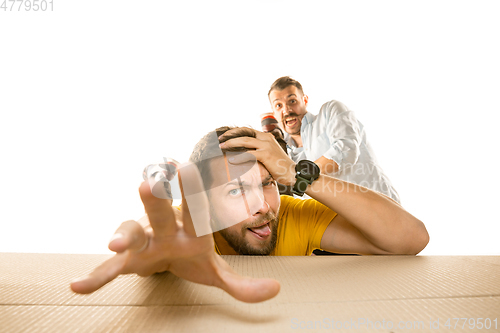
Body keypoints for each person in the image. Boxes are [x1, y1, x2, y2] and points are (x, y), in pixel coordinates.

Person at [70, 126, 429, 303]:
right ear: (205, 206)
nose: (262, 206)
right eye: (236, 190)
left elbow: (411, 237)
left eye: (268, 183)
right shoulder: (192, 225)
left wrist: (297, 174)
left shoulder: (290, 213)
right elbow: (162, 236)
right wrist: (148, 249)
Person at [267, 76, 401, 203]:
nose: (287, 110)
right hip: (342, 223)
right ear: (274, 113)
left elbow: (346, 151)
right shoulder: (286, 154)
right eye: (279, 105)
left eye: (292, 101)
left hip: (381, 207)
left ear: (305, 100)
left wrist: (299, 178)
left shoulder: (330, 112)